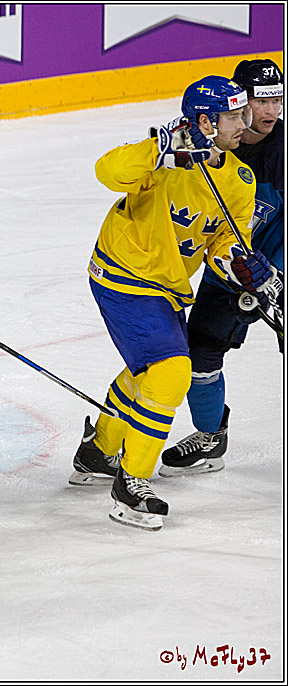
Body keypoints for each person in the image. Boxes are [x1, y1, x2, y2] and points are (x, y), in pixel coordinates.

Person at [67, 75, 277, 531]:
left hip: (166, 288)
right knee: (171, 371)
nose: (243, 124)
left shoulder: (239, 179)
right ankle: (132, 481)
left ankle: (98, 451)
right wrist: (157, 148)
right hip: (122, 275)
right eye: (233, 116)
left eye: (243, 113)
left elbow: (223, 244)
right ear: (204, 121)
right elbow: (107, 171)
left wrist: (241, 265)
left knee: (150, 371)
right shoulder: (163, 161)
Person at [160, 59, 284, 476]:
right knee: (201, 352)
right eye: (261, 101)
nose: (271, 111)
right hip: (228, 266)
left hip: (274, 268)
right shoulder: (209, 144)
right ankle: (211, 437)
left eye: (277, 99)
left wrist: (276, 274)